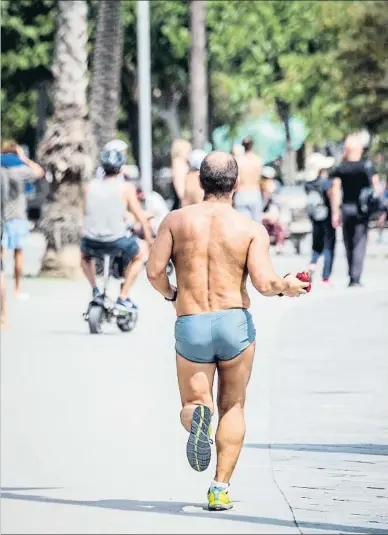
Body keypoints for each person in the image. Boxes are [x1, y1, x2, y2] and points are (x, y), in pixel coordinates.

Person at [146, 151, 309, 511]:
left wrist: (173, 295)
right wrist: (288, 286)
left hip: (192, 323)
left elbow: (155, 272)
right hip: (234, 324)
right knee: (233, 405)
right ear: (236, 185)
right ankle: (219, 488)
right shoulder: (250, 229)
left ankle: (197, 420)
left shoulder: (175, 221)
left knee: (193, 403)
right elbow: (265, 283)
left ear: (200, 182)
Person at [81, 147, 153, 311]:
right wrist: (150, 243)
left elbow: (85, 214)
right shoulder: (126, 188)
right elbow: (141, 218)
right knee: (139, 256)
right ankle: (123, 296)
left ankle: (95, 289)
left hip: (92, 241)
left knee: (84, 257)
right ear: (121, 168)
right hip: (116, 241)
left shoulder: (88, 187)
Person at [331, 134, 381, 287]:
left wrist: (335, 212)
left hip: (346, 208)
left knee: (348, 242)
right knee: (360, 241)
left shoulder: (341, 168)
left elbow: (335, 190)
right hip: (362, 208)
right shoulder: (367, 166)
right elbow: (377, 188)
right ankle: (356, 277)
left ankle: (351, 274)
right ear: (359, 149)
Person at [1, 141, 44, 299]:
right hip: (16, 215)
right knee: (18, 252)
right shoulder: (19, 170)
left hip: (1, 217)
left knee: (1, 254)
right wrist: (24, 158)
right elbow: (39, 171)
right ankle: (17, 289)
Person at [304, 152, 336, 284]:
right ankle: (326, 277)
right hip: (326, 217)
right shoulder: (327, 183)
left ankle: (312, 264)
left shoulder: (308, 184)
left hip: (314, 217)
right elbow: (332, 197)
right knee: (329, 246)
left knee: (317, 245)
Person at [233, 136, 263, 221]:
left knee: (243, 226)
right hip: (255, 193)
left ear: (243, 146)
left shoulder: (239, 161)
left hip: (242, 193)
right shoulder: (258, 160)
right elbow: (259, 178)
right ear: (252, 146)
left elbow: (236, 180)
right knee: (257, 226)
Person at [260, 169, 286, 254]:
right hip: (262, 211)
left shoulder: (275, 186)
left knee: (278, 223)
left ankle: (279, 244)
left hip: (272, 210)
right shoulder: (259, 188)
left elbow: (276, 204)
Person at [171, 139, 192, 210]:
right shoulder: (179, 165)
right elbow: (180, 191)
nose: (190, 153)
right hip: (182, 206)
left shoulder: (180, 164)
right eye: (188, 151)